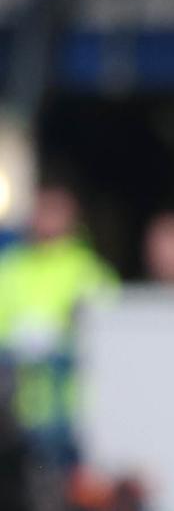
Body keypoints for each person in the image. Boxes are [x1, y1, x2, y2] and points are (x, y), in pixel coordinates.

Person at [0, 184, 118, 437]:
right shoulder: (10, 267)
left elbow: (110, 334)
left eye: (56, 211)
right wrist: (16, 341)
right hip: (17, 407)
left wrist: (60, 339)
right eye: (43, 210)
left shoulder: (88, 270)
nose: (47, 219)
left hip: (71, 410)